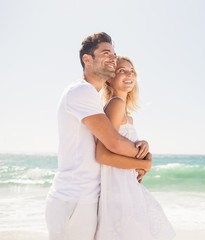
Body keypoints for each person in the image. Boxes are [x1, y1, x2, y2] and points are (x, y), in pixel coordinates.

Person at [45, 32, 152, 240]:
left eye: (113, 53)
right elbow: (112, 142)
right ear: (87, 59)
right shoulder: (81, 91)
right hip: (73, 199)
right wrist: (146, 159)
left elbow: (114, 140)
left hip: (84, 199)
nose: (112, 57)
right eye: (105, 53)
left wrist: (140, 151)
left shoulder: (91, 97)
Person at [95, 56, 176, 240]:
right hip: (119, 190)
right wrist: (144, 164)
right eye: (122, 71)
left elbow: (121, 143)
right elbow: (102, 154)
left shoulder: (126, 113)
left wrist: (143, 146)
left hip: (126, 185)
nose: (128, 74)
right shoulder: (116, 104)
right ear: (109, 78)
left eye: (131, 71)